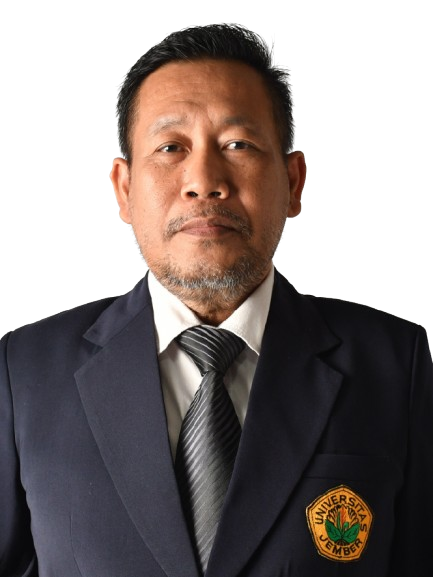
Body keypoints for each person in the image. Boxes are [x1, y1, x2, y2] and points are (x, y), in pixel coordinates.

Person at [0, 22, 432, 577]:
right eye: (170, 147)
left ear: (294, 181)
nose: (204, 181)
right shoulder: (24, 370)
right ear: (123, 189)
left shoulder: (394, 363)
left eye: (237, 144)